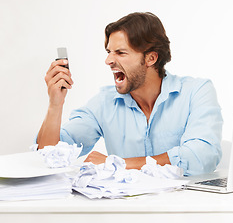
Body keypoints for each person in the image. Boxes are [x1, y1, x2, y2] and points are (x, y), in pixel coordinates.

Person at [37, 12, 223, 176]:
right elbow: (51, 156)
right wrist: (55, 104)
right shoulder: (104, 103)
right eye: (109, 52)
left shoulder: (196, 92)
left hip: (184, 209)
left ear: (151, 58)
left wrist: (119, 165)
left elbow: (202, 156)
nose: (108, 60)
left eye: (120, 52)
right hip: (129, 211)